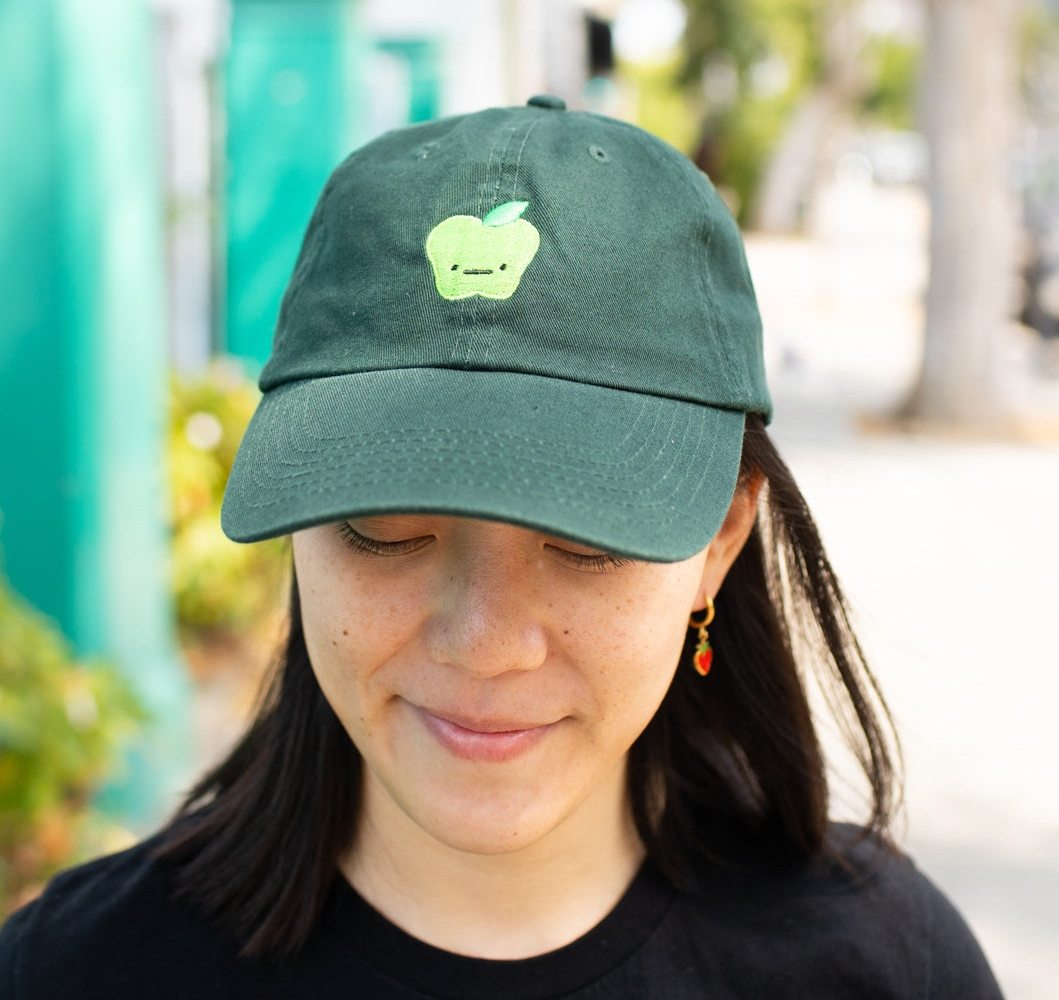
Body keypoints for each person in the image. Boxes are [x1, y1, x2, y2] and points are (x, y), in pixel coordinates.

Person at [0, 95, 1004, 998]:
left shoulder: (887, 969)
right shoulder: (70, 973)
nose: (484, 640)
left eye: (582, 540)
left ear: (718, 542)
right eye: (386, 525)